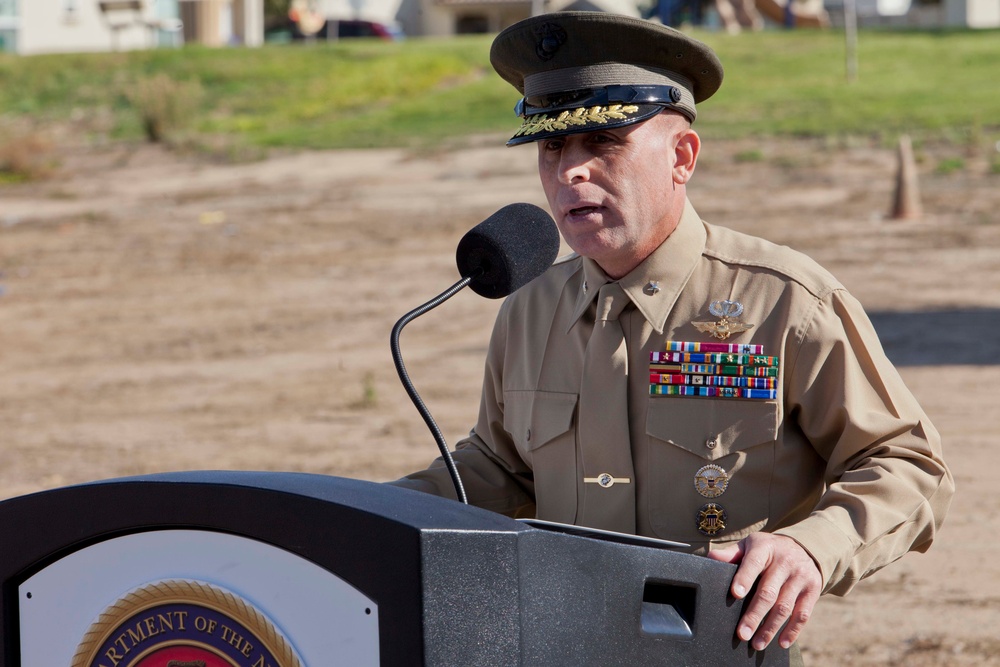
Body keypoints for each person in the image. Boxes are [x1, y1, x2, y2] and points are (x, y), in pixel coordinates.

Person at [390, 11, 952, 659]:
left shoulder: (785, 300)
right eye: (552, 147)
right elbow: (500, 470)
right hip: (558, 642)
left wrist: (809, 548)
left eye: (602, 142)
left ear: (682, 156)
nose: (570, 172)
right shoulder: (529, 307)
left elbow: (911, 465)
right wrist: (362, 511)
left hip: (718, 646)